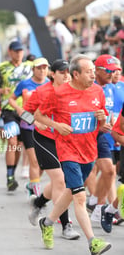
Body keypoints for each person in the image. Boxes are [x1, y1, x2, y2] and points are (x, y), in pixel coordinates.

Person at [35, 54, 111, 254]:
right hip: (68, 152)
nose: (93, 75)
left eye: (94, 71)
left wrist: (103, 119)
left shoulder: (97, 92)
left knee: (71, 191)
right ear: (75, 74)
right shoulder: (59, 94)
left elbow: (102, 125)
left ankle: (48, 222)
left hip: (89, 151)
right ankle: (92, 242)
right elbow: (38, 115)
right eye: (89, 72)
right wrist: (56, 125)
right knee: (80, 197)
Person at [24, 59, 80, 240]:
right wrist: (37, 121)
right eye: (62, 72)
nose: (66, 75)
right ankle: (66, 225)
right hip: (44, 140)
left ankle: (39, 203)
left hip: (65, 140)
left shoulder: (73, 90)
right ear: (53, 74)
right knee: (61, 180)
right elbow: (25, 113)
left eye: (68, 72)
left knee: (59, 182)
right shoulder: (42, 92)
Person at [85, 55, 120, 231]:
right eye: (108, 70)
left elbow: (111, 111)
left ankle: (100, 207)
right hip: (85, 136)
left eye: (113, 71)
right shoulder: (89, 87)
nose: (111, 74)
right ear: (96, 70)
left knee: (109, 170)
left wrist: (111, 123)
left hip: (103, 136)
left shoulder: (111, 88)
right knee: (85, 173)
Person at [0, 40, 33, 191]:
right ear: (10, 52)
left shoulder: (29, 67)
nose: (18, 53)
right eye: (16, 51)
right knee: (12, 141)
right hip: (9, 109)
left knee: (20, 145)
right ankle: (10, 177)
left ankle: (14, 170)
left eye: (21, 51)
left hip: (26, 111)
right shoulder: (2, 68)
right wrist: (0, 91)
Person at [9, 57, 50, 198]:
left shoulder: (50, 85)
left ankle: (32, 183)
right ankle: (36, 192)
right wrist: (19, 110)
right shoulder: (25, 84)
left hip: (45, 127)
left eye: (45, 68)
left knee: (43, 163)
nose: (42, 71)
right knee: (34, 160)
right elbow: (11, 99)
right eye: (39, 68)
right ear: (33, 69)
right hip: (28, 125)